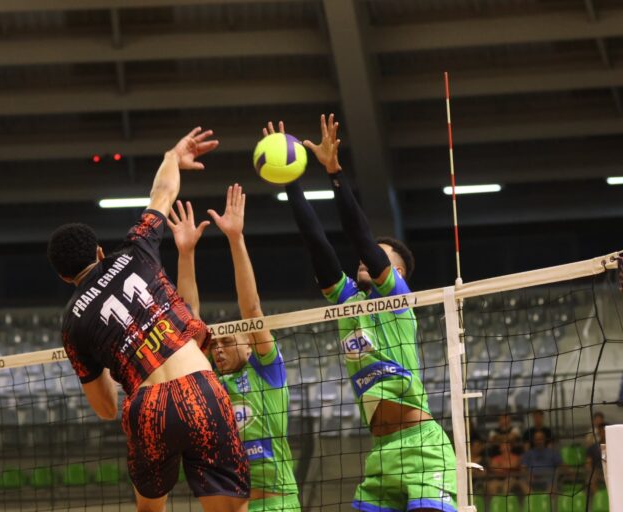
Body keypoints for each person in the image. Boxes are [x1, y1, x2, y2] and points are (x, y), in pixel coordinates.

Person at [48, 127, 249, 512]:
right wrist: (172, 156)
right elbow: (163, 193)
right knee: (229, 509)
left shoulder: (73, 323)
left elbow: (106, 409)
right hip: (201, 388)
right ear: (100, 250)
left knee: (150, 510)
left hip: (148, 408)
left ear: (63, 278)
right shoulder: (135, 251)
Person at [272, 115, 457, 512]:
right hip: (381, 452)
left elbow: (358, 234)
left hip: (422, 446)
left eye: (380, 254)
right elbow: (317, 244)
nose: (364, 254)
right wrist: (290, 180)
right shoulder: (346, 303)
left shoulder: (398, 299)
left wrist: (334, 173)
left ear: (398, 272)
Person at [168, 185, 300, 512]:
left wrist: (235, 239)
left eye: (228, 342)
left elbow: (252, 310)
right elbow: (188, 321)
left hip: (277, 505)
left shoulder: (266, 371)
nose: (219, 350)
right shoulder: (211, 383)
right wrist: (185, 253)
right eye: (216, 345)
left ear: (249, 346)